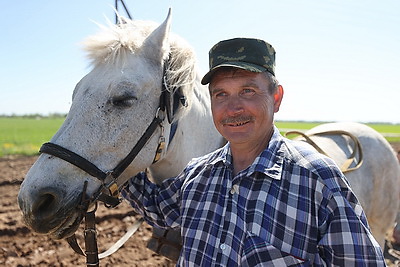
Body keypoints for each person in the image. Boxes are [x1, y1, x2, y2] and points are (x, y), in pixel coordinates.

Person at [121, 38, 386, 266]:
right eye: (221, 94)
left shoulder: (317, 179)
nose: (233, 108)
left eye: (248, 91)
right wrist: (112, 163)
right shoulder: (197, 174)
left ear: (277, 98)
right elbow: (157, 205)